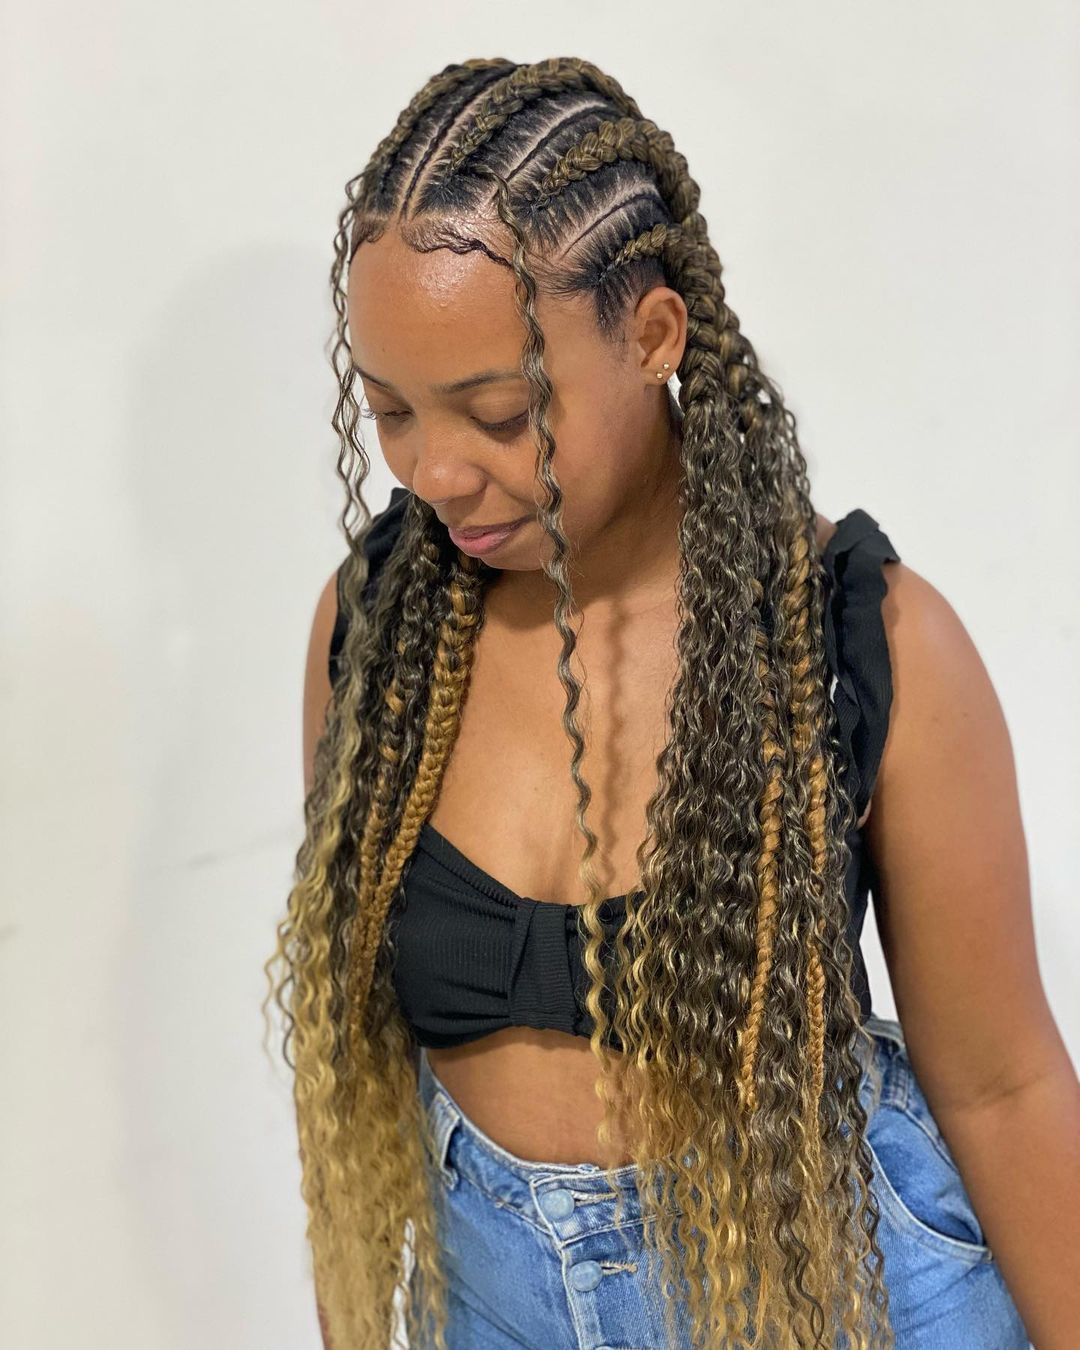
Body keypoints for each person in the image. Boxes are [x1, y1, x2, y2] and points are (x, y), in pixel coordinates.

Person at [264, 56, 1077, 1350]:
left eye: (498, 412)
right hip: (497, 1297)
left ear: (653, 336)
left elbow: (1003, 1084)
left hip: (832, 1291)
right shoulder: (378, 637)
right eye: (392, 411)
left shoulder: (860, 641)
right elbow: (352, 1060)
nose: (435, 472)